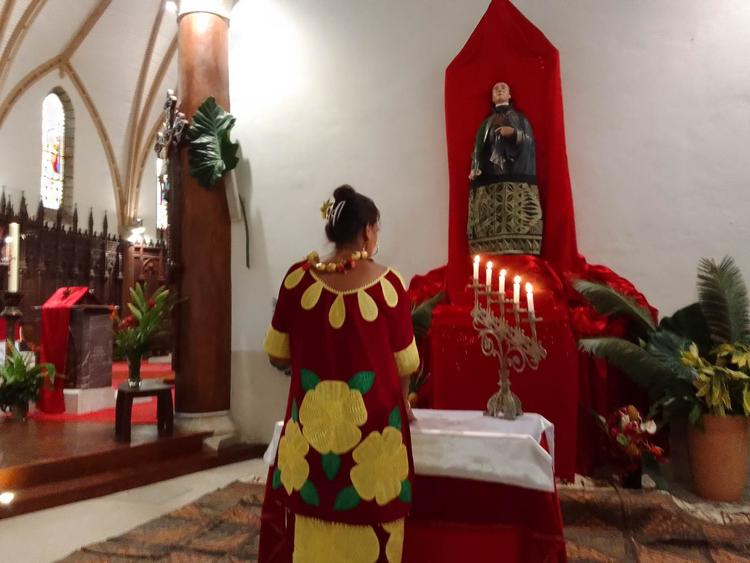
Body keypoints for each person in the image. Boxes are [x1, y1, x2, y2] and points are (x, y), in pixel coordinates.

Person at [259, 185, 420, 563]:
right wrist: (404, 403)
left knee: (312, 534)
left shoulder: (297, 280)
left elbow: (277, 351)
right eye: (376, 229)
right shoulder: (390, 286)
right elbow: (406, 365)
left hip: (312, 433)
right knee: (373, 525)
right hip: (375, 434)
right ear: (366, 231)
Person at [467, 81, 543, 255]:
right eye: (495, 89)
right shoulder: (485, 124)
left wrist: (514, 134)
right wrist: (476, 167)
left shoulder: (521, 119)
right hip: (491, 179)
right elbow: (478, 149)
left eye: (503, 88)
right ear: (493, 98)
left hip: (516, 177)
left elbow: (529, 143)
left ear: (509, 95)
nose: (499, 90)